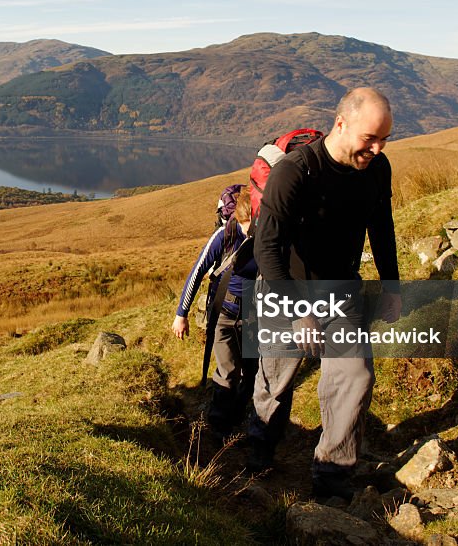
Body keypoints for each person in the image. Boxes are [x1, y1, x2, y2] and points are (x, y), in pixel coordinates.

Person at [249, 87, 402, 498]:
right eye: (369, 138)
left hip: (342, 291)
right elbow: (267, 248)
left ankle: (331, 477)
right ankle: (259, 451)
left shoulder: (377, 168)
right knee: (277, 380)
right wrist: (299, 310)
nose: (377, 147)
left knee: (354, 376)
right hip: (287, 289)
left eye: (384, 138)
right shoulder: (296, 171)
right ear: (341, 123)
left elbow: (381, 227)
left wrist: (392, 286)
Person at [172, 186, 259, 444]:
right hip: (223, 313)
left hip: (253, 315)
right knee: (229, 370)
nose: (248, 233)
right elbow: (197, 271)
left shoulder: (266, 236)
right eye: (245, 226)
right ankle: (218, 427)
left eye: (251, 227)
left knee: (252, 371)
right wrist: (181, 314)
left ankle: (237, 417)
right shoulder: (224, 236)